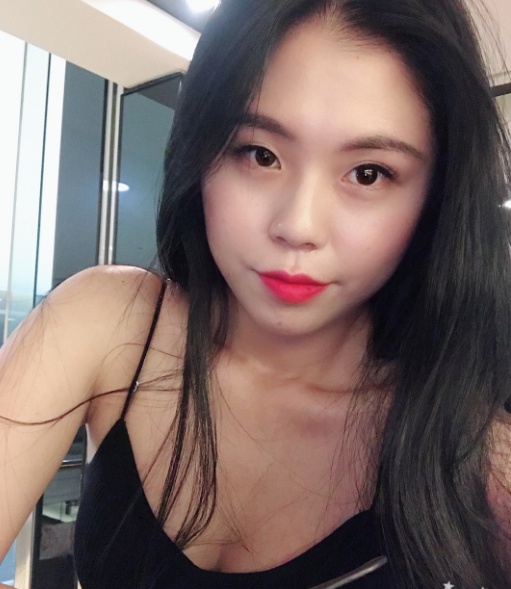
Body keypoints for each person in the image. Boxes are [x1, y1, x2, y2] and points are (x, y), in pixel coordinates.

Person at [1, 0, 511, 587]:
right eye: (260, 154)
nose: (298, 225)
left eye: (368, 173)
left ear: (436, 199)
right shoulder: (111, 325)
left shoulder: (478, 459)